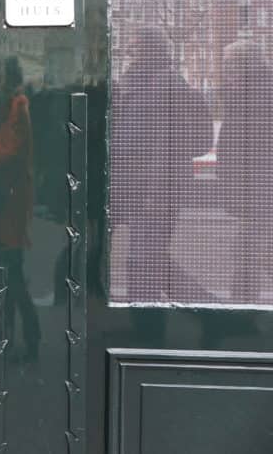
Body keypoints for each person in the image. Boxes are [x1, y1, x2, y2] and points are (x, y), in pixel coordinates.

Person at [111, 27, 211, 301]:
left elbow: (183, 143)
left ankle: (148, 326)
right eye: (131, 47)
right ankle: (208, 310)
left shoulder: (168, 85)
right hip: (129, 189)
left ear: (153, 50)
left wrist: (159, 189)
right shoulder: (132, 84)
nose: (130, 52)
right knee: (148, 261)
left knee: (142, 262)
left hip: (154, 192)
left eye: (136, 47)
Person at [217, 39, 273, 302]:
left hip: (257, 189)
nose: (225, 71)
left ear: (246, 65)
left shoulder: (258, 95)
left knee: (248, 251)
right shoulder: (241, 94)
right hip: (247, 189)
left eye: (230, 64)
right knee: (249, 252)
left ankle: (240, 311)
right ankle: (242, 311)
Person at [0, 57, 39, 361]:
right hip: (11, 196)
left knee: (11, 269)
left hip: (10, 198)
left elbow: (5, 151)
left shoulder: (16, 105)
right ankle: (8, 332)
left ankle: (23, 334)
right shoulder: (17, 104)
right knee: (9, 268)